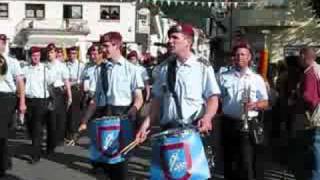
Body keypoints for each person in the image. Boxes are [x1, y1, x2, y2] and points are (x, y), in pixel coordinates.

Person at [135, 23, 220, 179]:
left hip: (193, 130)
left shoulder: (202, 67)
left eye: (175, 38)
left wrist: (207, 118)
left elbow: (213, 97)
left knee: (195, 177)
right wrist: (145, 126)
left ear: (187, 41)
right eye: (169, 37)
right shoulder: (163, 69)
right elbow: (157, 103)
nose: (170, 41)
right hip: (169, 131)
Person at [79, 32, 144, 180]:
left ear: (117, 46)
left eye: (106, 46)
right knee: (100, 165)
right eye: (102, 46)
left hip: (122, 117)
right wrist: (84, 121)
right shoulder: (100, 69)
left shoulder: (132, 69)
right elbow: (95, 99)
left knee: (119, 165)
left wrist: (133, 111)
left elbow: (139, 98)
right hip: (102, 116)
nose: (103, 49)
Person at [219, 42, 269, 180]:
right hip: (228, 123)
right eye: (237, 54)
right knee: (228, 160)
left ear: (249, 58)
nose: (239, 57)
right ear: (233, 58)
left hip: (248, 124)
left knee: (246, 162)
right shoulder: (224, 77)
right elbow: (218, 98)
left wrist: (254, 105)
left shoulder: (256, 78)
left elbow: (265, 102)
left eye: (243, 54)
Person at [291, 47, 320, 180]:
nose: (298, 59)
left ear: (303, 56)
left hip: (312, 120)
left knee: (314, 154)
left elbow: (309, 97)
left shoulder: (310, 73)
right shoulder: (317, 69)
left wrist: (297, 96)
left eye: (299, 56)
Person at [23, 47, 55, 164]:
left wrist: (52, 100)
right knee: (30, 127)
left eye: (37, 55)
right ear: (30, 56)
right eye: (33, 55)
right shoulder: (25, 69)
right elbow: (22, 84)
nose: (35, 57)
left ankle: (35, 155)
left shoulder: (45, 69)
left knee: (37, 127)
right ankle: (38, 145)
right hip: (28, 100)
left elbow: (51, 85)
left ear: (40, 56)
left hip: (41, 101)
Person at [0, 34, 26, 177]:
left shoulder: (12, 61)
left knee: (2, 132)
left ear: (4, 44)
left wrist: (22, 102)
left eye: (1, 43)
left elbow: (20, 82)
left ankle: (3, 164)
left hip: (6, 97)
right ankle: (4, 161)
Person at [46, 43, 72, 148]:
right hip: (48, 92)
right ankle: (51, 141)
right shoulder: (45, 65)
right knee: (50, 118)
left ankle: (58, 139)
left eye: (52, 52)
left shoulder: (61, 65)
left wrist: (70, 96)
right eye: (48, 52)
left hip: (58, 92)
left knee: (59, 117)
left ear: (56, 53)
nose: (49, 54)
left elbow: (66, 81)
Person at [65, 46, 84, 145]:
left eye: (74, 53)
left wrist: (72, 82)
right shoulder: (65, 64)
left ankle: (73, 135)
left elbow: (81, 80)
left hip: (76, 90)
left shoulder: (81, 65)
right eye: (71, 53)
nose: (72, 55)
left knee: (74, 113)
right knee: (67, 113)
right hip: (66, 90)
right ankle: (67, 134)